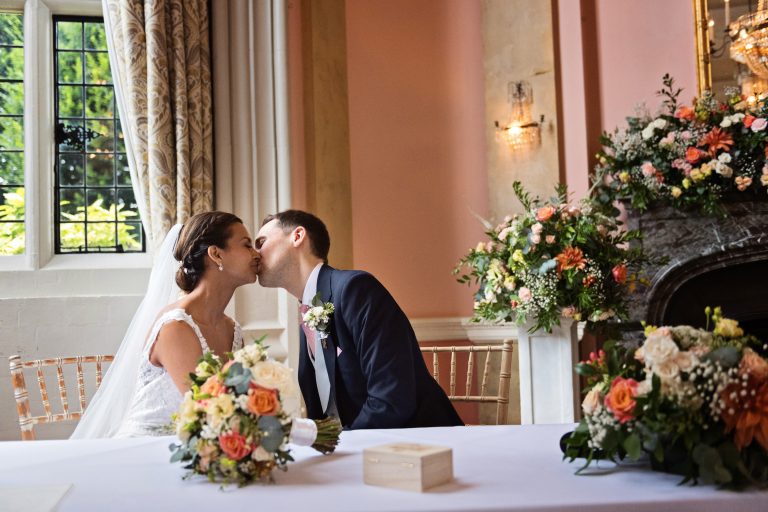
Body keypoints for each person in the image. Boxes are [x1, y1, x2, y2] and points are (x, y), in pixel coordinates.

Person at [255, 210, 463, 429]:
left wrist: (344, 446)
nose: (255, 253)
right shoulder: (308, 311)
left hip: (419, 442)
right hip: (356, 448)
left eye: (261, 242)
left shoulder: (356, 289)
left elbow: (391, 397)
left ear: (297, 236)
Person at [71, 212, 260, 438]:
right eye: (247, 245)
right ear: (216, 254)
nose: (257, 254)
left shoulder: (234, 331)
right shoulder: (177, 327)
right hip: (148, 450)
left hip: (204, 449)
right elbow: (209, 412)